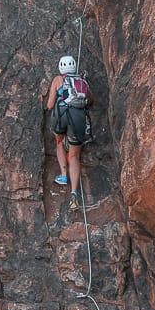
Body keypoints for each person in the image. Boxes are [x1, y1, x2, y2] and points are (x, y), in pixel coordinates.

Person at [47, 55, 94, 213]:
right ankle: (74, 193)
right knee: (74, 156)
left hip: (61, 116)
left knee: (59, 142)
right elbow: (90, 101)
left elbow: (50, 105)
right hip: (77, 117)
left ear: (61, 67)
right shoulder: (83, 81)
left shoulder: (57, 80)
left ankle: (63, 175)